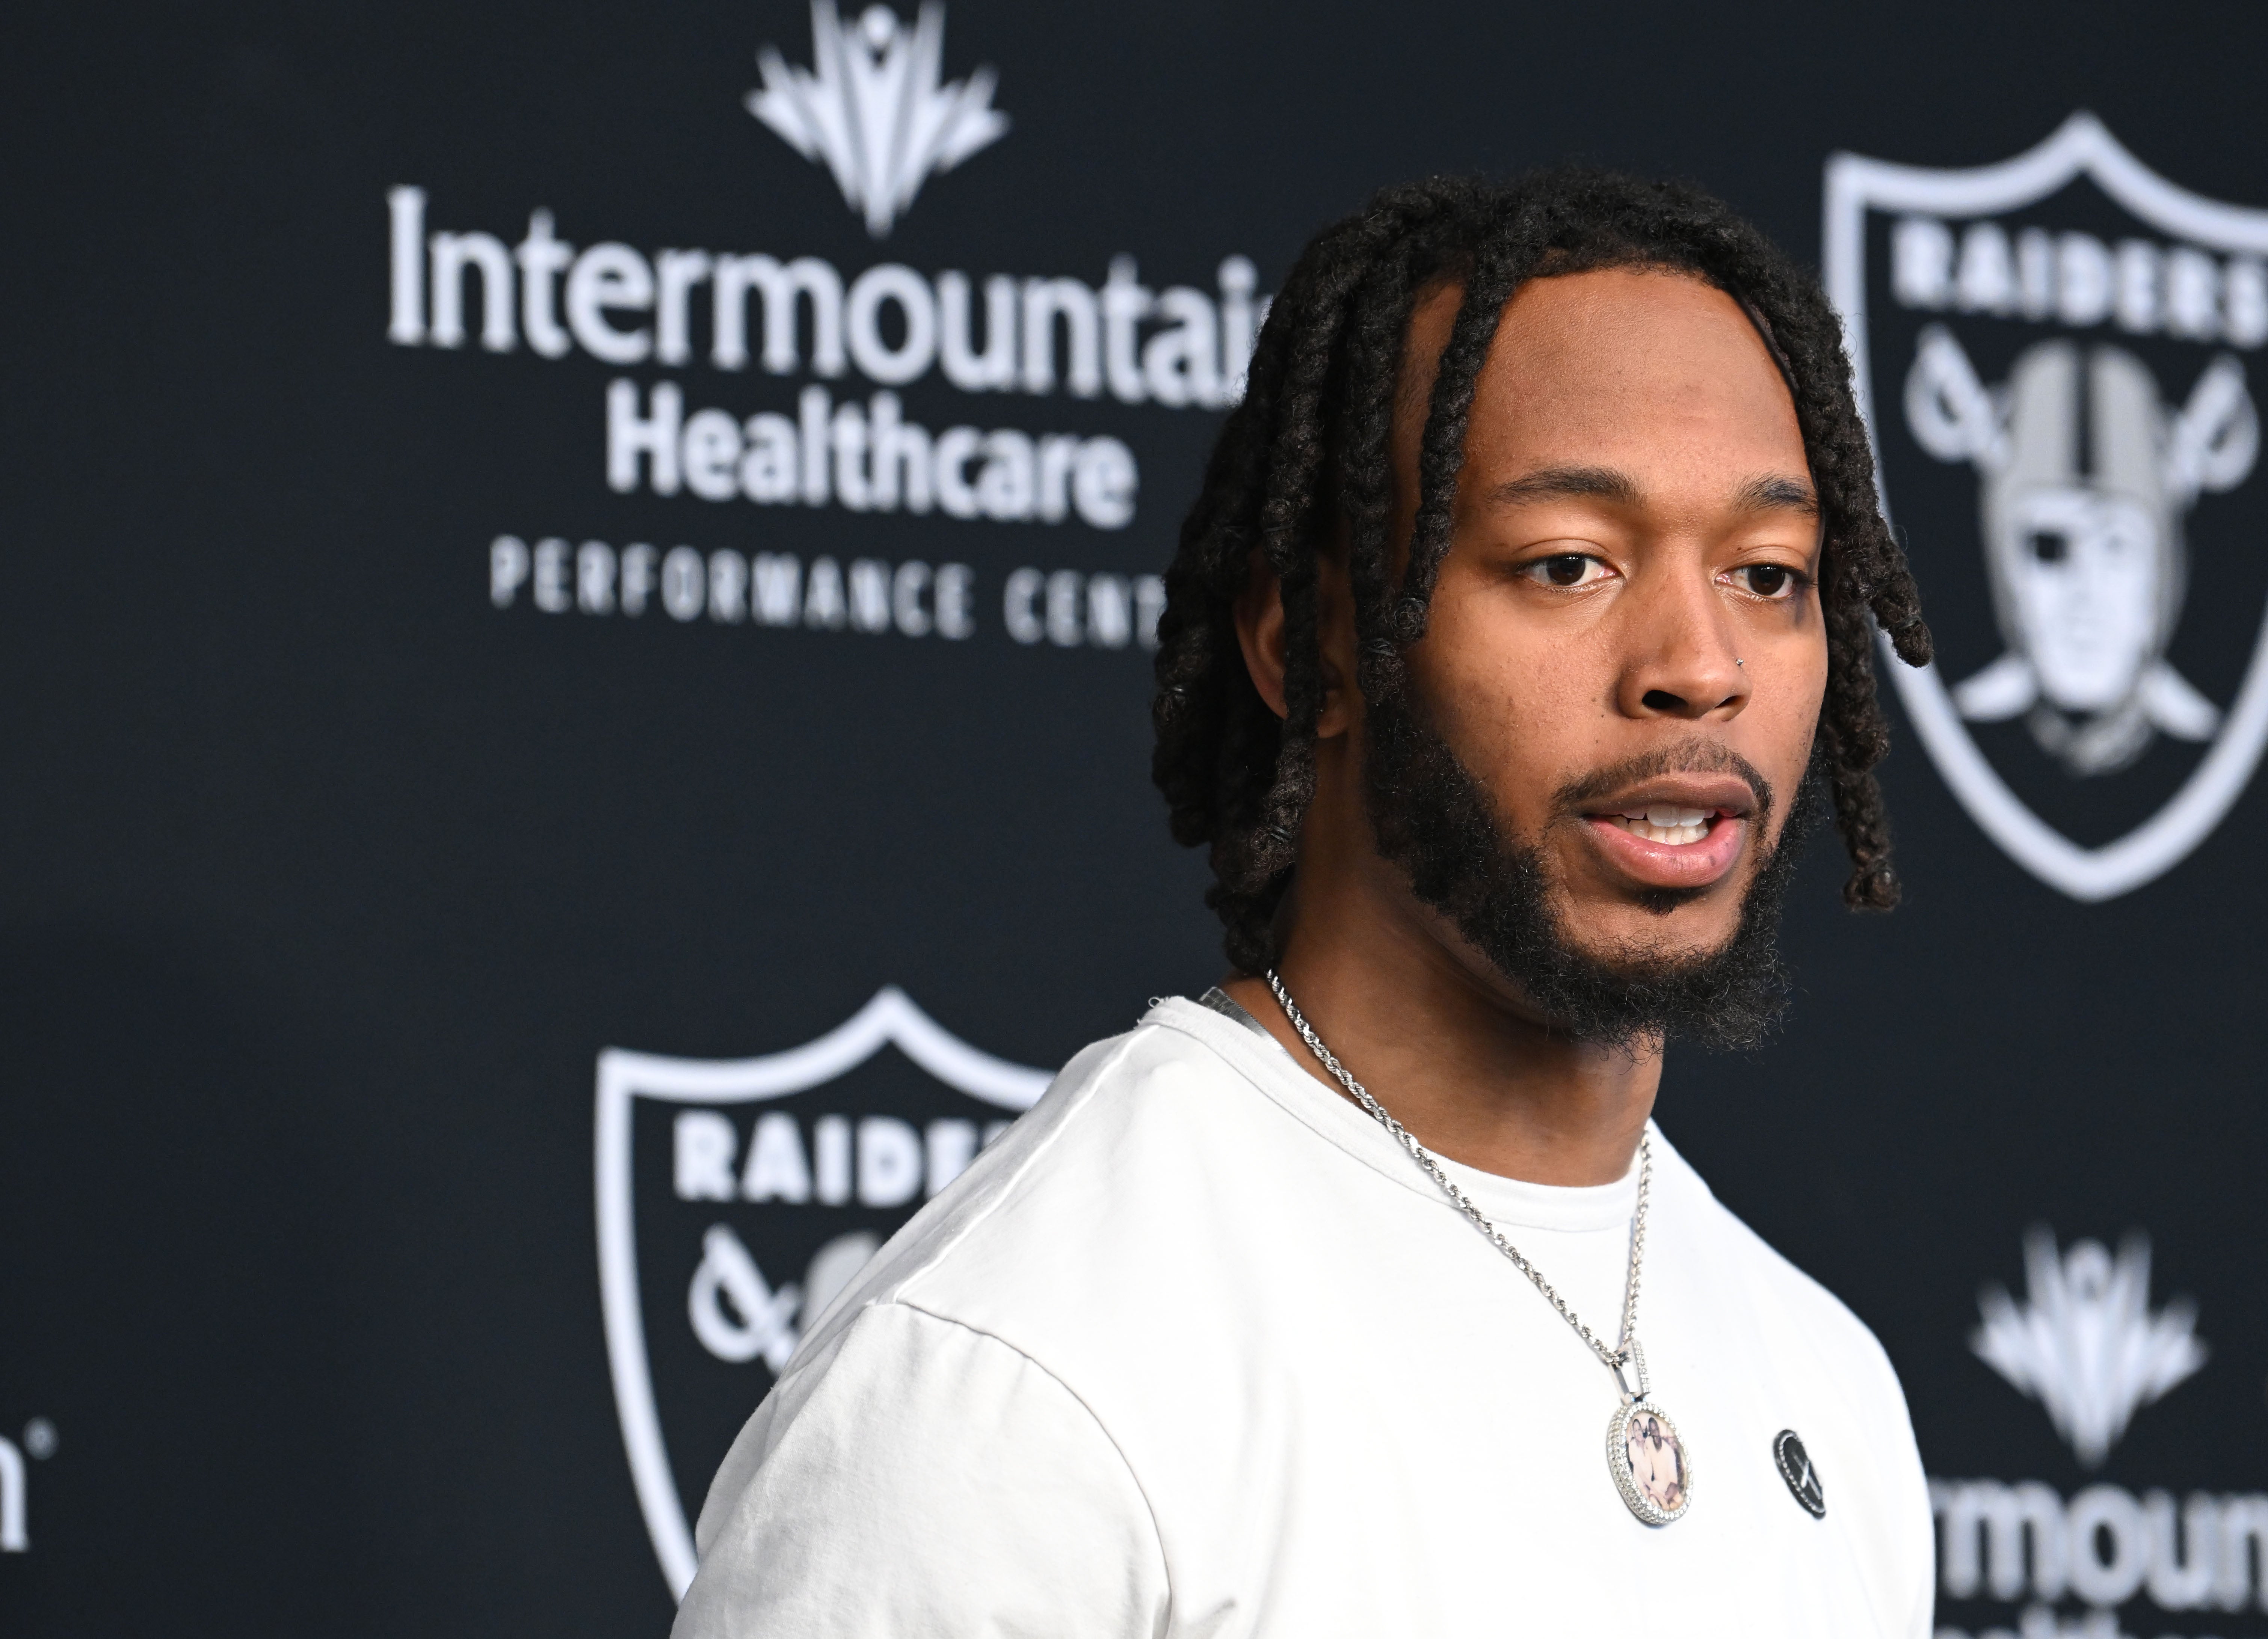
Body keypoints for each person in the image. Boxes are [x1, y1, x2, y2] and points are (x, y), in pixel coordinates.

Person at [675, 169, 1937, 1636]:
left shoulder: (1822, 1382)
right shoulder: (1020, 1375)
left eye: (1769, 574)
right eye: (1567, 564)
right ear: (1312, 647)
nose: (1696, 663)